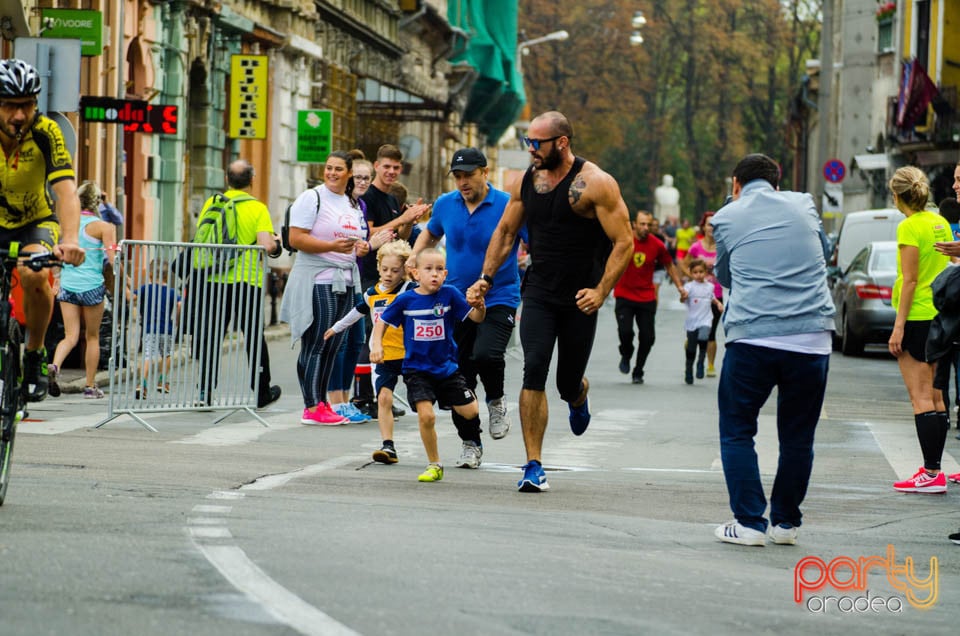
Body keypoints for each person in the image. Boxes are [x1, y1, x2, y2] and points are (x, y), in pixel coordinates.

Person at [466, 110, 633, 492]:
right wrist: (485, 279)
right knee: (534, 368)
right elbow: (506, 232)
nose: (531, 149)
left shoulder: (596, 184)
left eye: (536, 143)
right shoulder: (526, 180)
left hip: (580, 297)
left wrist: (601, 290)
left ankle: (579, 395)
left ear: (562, 143)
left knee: (566, 382)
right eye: (528, 142)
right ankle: (533, 464)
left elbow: (624, 242)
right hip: (539, 291)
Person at [712, 153, 835, 546]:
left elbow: (725, 273)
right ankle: (785, 524)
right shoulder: (804, 204)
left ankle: (749, 522)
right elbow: (824, 250)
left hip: (753, 338)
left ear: (736, 184)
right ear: (777, 184)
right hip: (812, 338)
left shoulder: (727, 217)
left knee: (737, 430)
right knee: (798, 436)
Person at [409, 147, 524, 469]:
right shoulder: (446, 204)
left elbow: (531, 240)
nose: (463, 182)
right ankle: (470, 443)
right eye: (458, 176)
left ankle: (497, 401)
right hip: (454, 301)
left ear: (485, 173)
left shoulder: (507, 205)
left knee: (487, 354)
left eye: (469, 175)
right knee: (459, 379)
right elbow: (430, 234)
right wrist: (413, 258)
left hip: (499, 294)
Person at [0, 59, 85, 401]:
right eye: (9, 106)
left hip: (35, 222)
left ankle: (34, 353)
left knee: (35, 274)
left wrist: (70, 240)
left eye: (26, 106)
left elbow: (65, 191)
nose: (19, 115)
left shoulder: (46, 132)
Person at [372, 248, 486, 482]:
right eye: (428, 269)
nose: (434, 274)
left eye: (439, 270)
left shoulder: (450, 294)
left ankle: (461, 419)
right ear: (415, 274)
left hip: (447, 368)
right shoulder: (406, 300)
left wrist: (480, 307)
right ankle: (435, 464)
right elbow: (381, 322)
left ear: (445, 274)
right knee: (427, 417)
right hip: (416, 369)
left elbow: (475, 318)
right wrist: (377, 346)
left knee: (471, 411)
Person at [280, 150, 370, 425]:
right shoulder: (312, 197)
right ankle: (311, 406)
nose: (331, 173)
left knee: (335, 341)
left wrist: (361, 248)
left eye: (338, 169)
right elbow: (296, 238)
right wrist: (332, 247)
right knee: (318, 341)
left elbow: (354, 239)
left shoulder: (350, 203)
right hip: (318, 279)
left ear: (349, 173)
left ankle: (324, 403)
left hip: (345, 278)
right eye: (328, 168)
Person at [193, 159, 282, 409]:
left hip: (214, 279)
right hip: (247, 281)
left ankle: (205, 392)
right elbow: (266, 245)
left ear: (227, 180)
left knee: (213, 336)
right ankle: (261, 392)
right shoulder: (257, 208)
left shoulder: (214, 202)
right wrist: (276, 242)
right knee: (253, 337)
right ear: (251, 180)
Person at [885, 166, 951, 494]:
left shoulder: (909, 227)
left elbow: (910, 280)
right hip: (940, 314)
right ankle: (937, 470)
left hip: (918, 316)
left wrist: (898, 328)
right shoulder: (939, 222)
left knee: (920, 397)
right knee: (937, 397)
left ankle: (931, 472)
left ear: (898, 196)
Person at [326, 240, 417, 463]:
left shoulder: (410, 290)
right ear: (378, 267)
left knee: (420, 402)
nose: (388, 274)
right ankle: (388, 446)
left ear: (405, 270)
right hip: (382, 355)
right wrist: (336, 328)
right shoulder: (372, 293)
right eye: (384, 269)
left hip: (410, 354)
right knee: (383, 398)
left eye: (395, 270)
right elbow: (356, 312)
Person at [48, 181, 117, 399]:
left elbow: (58, 255)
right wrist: (124, 278)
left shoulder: (68, 226)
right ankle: (89, 386)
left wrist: (57, 280)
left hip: (68, 285)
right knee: (92, 337)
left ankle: (55, 366)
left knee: (70, 336)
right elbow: (113, 260)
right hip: (92, 287)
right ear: (98, 202)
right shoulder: (104, 227)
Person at [326, 151, 378, 424]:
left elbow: (362, 243)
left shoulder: (360, 207)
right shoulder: (334, 204)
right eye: (357, 177)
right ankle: (335, 400)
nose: (362, 182)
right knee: (341, 340)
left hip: (354, 278)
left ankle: (345, 399)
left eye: (366, 178)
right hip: (334, 279)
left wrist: (368, 245)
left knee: (357, 338)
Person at [613, 210, 686, 384]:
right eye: (642, 224)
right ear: (634, 224)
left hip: (646, 297)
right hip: (624, 294)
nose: (646, 228)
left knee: (648, 337)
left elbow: (669, 265)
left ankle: (638, 370)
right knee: (625, 332)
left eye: (648, 224)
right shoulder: (623, 240)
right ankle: (626, 352)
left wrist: (680, 287)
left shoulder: (657, 245)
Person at [681, 211, 723, 376]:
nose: (711, 228)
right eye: (708, 224)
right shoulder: (696, 247)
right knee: (698, 331)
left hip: (714, 293)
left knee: (711, 332)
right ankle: (692, 342)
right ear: (703, 227)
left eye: (714, 225)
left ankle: (709, 364)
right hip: (697, 296)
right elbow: (684, 264)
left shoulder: (722, 247)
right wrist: (692, 277)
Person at [132, 260, 178, 400]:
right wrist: (176, 320)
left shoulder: (146, 289)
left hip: (150, 329)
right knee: (167, 354)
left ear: (150, 275)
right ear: (167, 277)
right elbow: (180, 304)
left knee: (147, 356)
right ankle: (163, 381)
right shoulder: (171, 292)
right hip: (167, 330)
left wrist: (126, 285)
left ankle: (142, 383)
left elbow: (132, 297)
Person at [681, 259, 722, 385]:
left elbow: (712, 298)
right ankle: (689, 370)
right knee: (691, 348)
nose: (698, 274)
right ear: (691, 273)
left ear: (705, 272)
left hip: (706, 319)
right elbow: (682, 299)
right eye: (695, 272)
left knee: (704, 337)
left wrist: (719, 303)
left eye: (701, 272)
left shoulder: (710, 286)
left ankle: (701, 362)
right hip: (692, 321)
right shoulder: (689, 287)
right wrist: (684, 296)